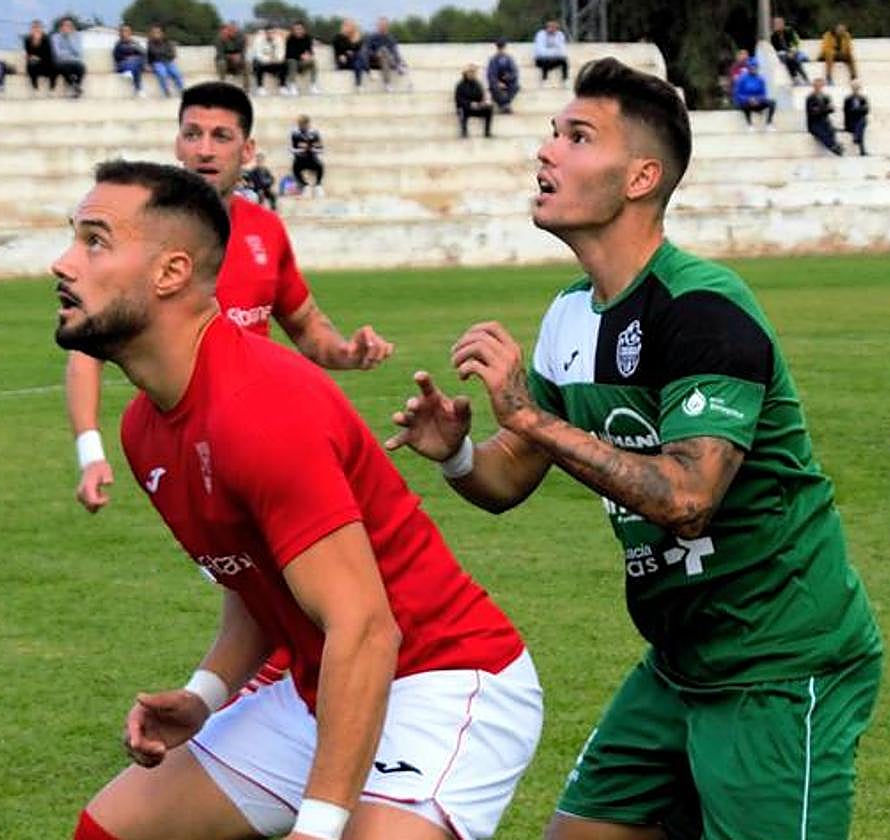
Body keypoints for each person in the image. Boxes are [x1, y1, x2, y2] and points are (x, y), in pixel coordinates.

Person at [386, 56, 882, 840]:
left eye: (577, 137)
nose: (546, 151)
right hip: (679, 659)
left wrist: (530, 416)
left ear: (641, 176)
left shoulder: (704, 308)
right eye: (552, 133)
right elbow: (509, 477)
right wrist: (456, 453)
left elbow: (687, 499)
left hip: (779, 662)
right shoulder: (569, 317)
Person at [54, 160, 543, 840]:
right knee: (106, 829)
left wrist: (317, 827)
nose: (63, 262)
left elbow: (368, 631)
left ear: (169, 273)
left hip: (442, 680)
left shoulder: (258, 407)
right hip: (326, 686)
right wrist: (205, 696)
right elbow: (256, 582)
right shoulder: (144, 428)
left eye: (94, 240)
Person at [65, 81, 394, 711]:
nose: (204, 148)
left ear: (249, 149)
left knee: (300, 585)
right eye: (192, 133)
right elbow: (85, 350)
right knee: (262, 582)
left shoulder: (265, 232)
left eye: (221, 136)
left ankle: (279, 699)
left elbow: (306, 326)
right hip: (196, 443)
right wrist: (91, 451)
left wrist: (347, 352)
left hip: (258, 434)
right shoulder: (142, 240)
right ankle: (273, 698)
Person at [358, 17, 405, 92]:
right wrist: (375, 54)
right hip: (374, 61)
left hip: (387, 61)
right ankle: (397, 67)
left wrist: (399, 60)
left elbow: (395, 51)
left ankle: (388, 83)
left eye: (385, 25)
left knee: (385, 52)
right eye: (381, 25)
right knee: (383, 50)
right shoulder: (371, 37)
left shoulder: (390, 38)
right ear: (377, 26)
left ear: (387, 26)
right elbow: (365, 50)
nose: (383, 27)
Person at [731, 56, 775, 130]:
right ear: (749, 68)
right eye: (752, 67)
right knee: (744, 105)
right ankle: (749, 124)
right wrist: (748, 99)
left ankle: (769, 123)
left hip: (757, 102)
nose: (754, 69)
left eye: (755, 67)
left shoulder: (760, 79)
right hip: (746, 102)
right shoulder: (742, 78)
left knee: (772, 102)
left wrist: (757, 100)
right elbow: (738, 93)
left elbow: (763, 93)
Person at [454, 63, 493, 139]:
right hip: (466, 108)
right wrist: (470, 104)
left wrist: (484, 102)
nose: (472, 74)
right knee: (461, 111)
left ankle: (487, 132)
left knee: (489, 108)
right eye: (470, 72)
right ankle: (464, 132)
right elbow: (458, 100)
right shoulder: (460, 85)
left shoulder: (478, 84)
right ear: (466, 73)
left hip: (476, 107)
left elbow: (481, 96)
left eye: (474, 72)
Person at [806, 77, 843, 155]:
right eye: (816, 85)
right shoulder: (810, 98)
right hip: (814, 123)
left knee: (831, 130)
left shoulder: (826, 96)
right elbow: (813, 112)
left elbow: (832, 109)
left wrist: (821, 109)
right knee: (822, 134)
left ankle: (835, 146)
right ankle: (834, 147)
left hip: (824, 121)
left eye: (820, 85)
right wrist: (825, 109)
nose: (818, 87)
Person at [51, 16, 86, 98]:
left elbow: (79, 52)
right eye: (65, 25)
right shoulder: (55, 37)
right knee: (63, 67)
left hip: (75, 62)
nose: (67, 27)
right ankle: (75, 88)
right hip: (62, 62)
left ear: (73, 27)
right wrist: (70, 54)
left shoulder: (77, 36)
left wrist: (70, 38)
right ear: (61, 27)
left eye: (69, 26)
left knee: (82, 68)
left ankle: (75, 87)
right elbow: (58, 53)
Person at [290, 114, 324, 196]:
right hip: (301, 159)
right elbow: (292, 149)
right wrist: (301, 150)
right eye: (301, 124)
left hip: (311, 158)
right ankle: (305, 185)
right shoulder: (295, 134)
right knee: (295, 168)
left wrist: (312, 149)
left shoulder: (314, 133)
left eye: (305, 124)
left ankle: (318, 185)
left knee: (320, 166)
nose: (303, 126)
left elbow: (321, 149)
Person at [147, 24, 184, 97]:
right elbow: (153, 52)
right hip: (157, 62)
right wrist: (164, 53)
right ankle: (166, 92)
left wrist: (163, 54)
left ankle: (182, 90)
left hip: (168, 62)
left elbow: (172, 54)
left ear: (162, 33)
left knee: (176, 73)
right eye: (154, 33)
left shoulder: (168, 42)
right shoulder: (150, 43)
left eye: (157, 32)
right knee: (162, 74)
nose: (155, 34)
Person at [770, 16, 808, 85]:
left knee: (792, 58)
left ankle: (797, 78)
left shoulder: (789, 31)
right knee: (789, 58)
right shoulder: (773, 36)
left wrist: (792, 51)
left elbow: (795, 42)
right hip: (782, 54)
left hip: (792, 51)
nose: (776, 25)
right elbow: (776, 49)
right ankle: (801, 77)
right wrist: (786, 53)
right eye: (775, 24)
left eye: (778, 23)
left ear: (783, 24)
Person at [283, 20, 318, 95]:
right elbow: (289, 54)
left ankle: (313, 85)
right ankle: (292, 85)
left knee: (313, 61)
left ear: (303, 30)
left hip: (303, 62)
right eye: (295, 29)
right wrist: (300, 56)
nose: (298, 31)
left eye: (299, 29)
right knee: (292, 61)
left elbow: (310, 50)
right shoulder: (290, 39)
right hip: (293, 62)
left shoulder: (308, 38)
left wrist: (308, 55)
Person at [250, 24, 286, 95]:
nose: (270, 35)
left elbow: (281, 53)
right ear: (265, 33)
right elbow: (257, 54)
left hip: (275, 62)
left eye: (272, 32)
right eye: (268, 33)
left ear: (274, 33)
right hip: (263, 62)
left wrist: (277, 59)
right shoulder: (258, 39)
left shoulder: (279, 39)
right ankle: (260, 87)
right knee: (256, 63)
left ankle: (282, 86)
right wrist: (269, 59)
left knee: (285, 63)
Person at [112, 24, 146, 98]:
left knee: (137, 61)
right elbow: (120, 53)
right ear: (120, 33)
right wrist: (132, 52)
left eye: (127, 31)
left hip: (134, 65)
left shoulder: (135, 42)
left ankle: (138, 88)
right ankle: (139, 89)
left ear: (130, 33)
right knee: (136, 61)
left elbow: (143, 52)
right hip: (122, 66)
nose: (125, 33)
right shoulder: (118, 44)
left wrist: (133, 50)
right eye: (123, 31)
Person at [486, 38, 519, 114]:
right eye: (499, 48)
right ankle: (505, 105)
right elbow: (491, 74)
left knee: (516, 86)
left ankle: (503, 105)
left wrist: (508, 77)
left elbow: (515, 72)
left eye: (502, 47)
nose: (501, 50)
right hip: (496, 82)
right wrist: (498, 82)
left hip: (508, 81)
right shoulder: (493, 59)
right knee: (495, 87)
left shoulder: (509, 59)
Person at [24, 19, 56, 94]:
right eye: (34, 27)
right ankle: (35, 88)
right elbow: (28, 53)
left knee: (53, 64)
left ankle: (51, 88)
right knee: (30, 64)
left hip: (46, 63)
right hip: (35, 64)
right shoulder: (27, 39)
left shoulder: (47, 38)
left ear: (41, 29)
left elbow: (49, 53)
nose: (36, 29)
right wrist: (34, 43)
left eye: (38, 27)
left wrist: (38, 56)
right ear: (31, 29)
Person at [533, 19, 568, 85]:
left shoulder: (560, 35)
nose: (553, 29)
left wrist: (551, 52)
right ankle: (544, 80)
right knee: (545, 60)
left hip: (555, 59)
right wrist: (554, 51)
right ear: (547, 27)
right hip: (540, 60)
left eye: (555, 28)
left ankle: (565, 80)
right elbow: (541, 52)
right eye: (551, 27)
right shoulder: (540, 35)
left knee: (564, 61)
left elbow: (562, 51)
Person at [214, 21, 248, 88]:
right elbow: (220, 53)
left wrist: (240, 56)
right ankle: (222, 83)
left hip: (238, 59)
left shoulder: (241, 37)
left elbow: (244, 50)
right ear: (227, 30)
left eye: (235, 30)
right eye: (230, 30)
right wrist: (231, 56)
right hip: (225, 59)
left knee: (246, 63)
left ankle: (246, 87)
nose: (233, 32)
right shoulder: (220, 38)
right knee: (221, 62)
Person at [332, 18, 362, 85]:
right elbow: (340, 49)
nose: (349, 28)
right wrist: (347, 53)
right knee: (358, 59)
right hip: (342, 62)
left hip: (353, 60)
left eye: (351, 26)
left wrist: (355, 39)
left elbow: (357, 49)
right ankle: (360, 82)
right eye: (347, 25)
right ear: (343, 26)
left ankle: (358, 84)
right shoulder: (337, 37)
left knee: (358, 60)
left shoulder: (353, 38)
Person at [843, 79, 869, 155]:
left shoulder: (863, 98)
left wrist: (856, 109)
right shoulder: (848, 99)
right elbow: (847, 112)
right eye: (854, 87)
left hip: (860, 119)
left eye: (857, 87)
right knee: (860, 127)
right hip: (852, 121)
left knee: (862, 121)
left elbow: (866, 110)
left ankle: (856, 138)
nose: (856, 89)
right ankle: (862, 150)